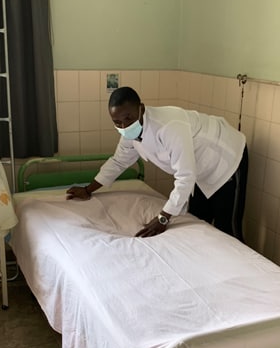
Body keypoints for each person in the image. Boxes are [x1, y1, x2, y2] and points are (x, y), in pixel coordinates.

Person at [66, 86, 248, 239]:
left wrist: (163, 218)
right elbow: (118, 162)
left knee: (227, 227)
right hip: (198, 168)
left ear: (141, 109)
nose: (123, 126)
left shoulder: (169, 126)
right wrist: (88, 190)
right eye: (117, 122)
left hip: (225, 158)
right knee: (199, 219)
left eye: (128, 118)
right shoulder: (129, 133)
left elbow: (185, 176)